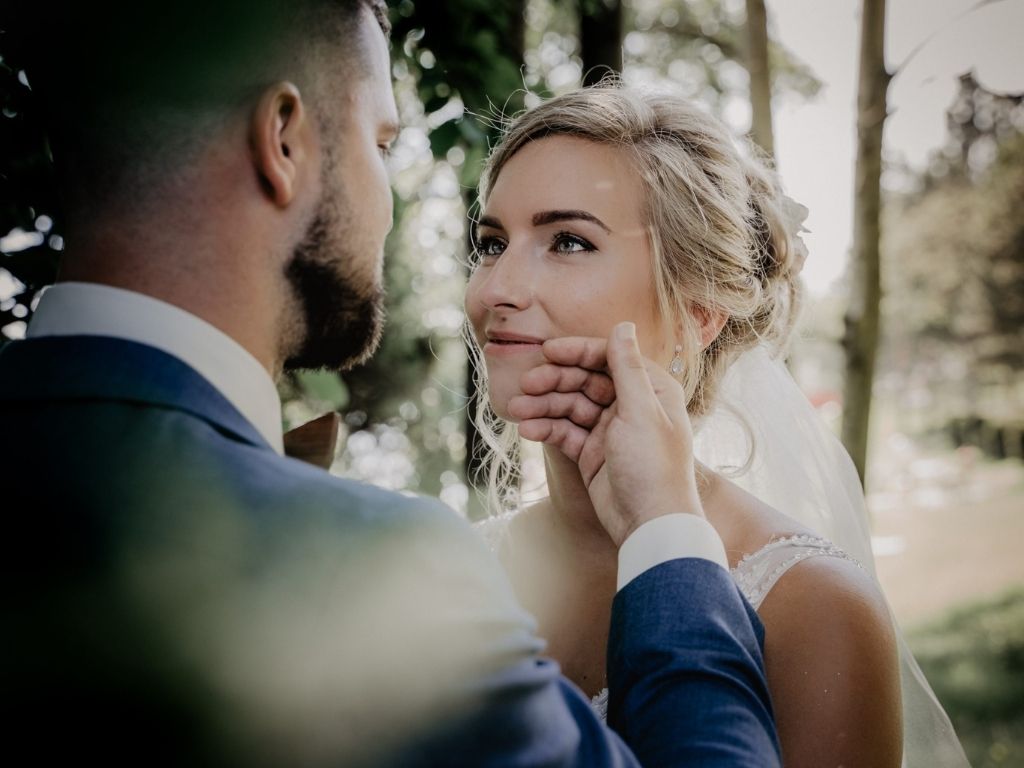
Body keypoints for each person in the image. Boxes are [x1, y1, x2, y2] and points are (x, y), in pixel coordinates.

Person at [0, 2, 782, 765]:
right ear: (283, 139)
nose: (496, 288)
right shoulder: (373, 565)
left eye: (568, 241)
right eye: (380, 142)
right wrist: (671, 533)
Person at [466, 83, 971, 768]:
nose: (494, 289)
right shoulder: (451, 568)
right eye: (492, 242)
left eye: (569, 242)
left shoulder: (812, 608)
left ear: (698, 313)